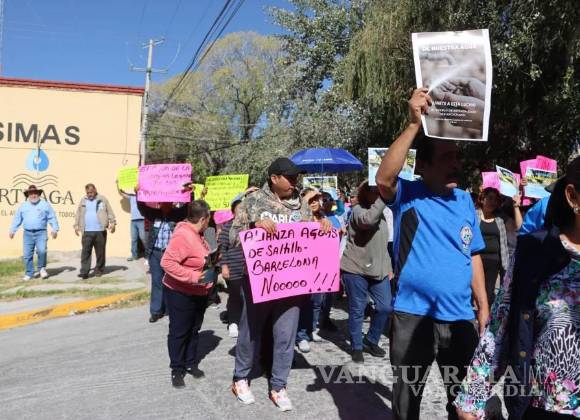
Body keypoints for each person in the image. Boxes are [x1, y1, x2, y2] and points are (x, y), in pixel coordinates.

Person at [375, 88, 488, 420]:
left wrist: (483, 305)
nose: (456, 164)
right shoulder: (409, 195)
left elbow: (473, 254)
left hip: (460, 318)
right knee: (407, 402)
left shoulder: (465, 201)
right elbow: (383, 178)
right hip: (413, 317)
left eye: (457, 157)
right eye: (446, 158)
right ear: (422, 165)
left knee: (465, 405)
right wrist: (413, 124)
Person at [455, 156, 580, 419]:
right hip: (545, 409)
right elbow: (500, 326)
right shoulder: (533, 254)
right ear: (573, 197)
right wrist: (473, 395)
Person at [230, 157, 331, 412]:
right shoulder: (252, 200)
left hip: (292, 284)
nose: (295, 181)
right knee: (250, 331)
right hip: (259, 281)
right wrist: (254, 226)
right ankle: (241, 378)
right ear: (274, 178)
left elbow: (309, 236)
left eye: (297, 176)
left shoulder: (302, 203)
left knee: (286, 336)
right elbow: (233, 237)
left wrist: (321, 226)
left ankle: (279, 385)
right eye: (290, 177)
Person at [160, 200, 214, 389]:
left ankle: (191, 363)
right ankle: (177, 368)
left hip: (198, 291)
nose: (210, 222)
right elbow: (167, 263)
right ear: (202, 219)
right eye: (209, 218)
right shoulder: (183, 235)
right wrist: (194, 277)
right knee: (179, 331)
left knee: (193, 329)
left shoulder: (199, 235)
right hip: (180, 292)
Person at [340, 180, 393, 364]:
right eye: (374, 191)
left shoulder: (382, 213)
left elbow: (383, 244)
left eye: (380, 191)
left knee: (385, 306)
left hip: (379, 270)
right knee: (358, 308)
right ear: (365, 192)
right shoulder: (357, 210)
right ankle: (356, 346)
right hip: (355, 268)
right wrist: (384, 199)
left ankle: (371, 340)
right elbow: (367, 221)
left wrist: (388, 267)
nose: (378, 194)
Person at [137, 199, 188, 323]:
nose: (165, 204)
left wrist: (189, 193)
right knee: (157, 281)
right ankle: (156, 311)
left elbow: (187, 208)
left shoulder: (177, 214)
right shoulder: (153, 214)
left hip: (171, 254)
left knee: (171, 282)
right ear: (159, 203)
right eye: (163, 202)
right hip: (155, 253)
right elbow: (142, 208)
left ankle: (171, 309)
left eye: (168, 202)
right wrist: (138, 194)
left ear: (172, 203)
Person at [295, 188, 331, 351]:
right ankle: (301, 335)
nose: (314, 202)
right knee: (304, 302)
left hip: (319, 266)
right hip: (302, 266)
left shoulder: (323, 216)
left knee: (316, 301)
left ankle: (311, 328)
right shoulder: (297, 216)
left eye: (316, 199)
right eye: (310, 200)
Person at [476, 188, 522, 307]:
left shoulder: (500, 217)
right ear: (482, 199)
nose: (493, 202)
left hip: (493, 261)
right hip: (475, 259)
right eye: (490, 198)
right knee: (472, 290)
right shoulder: (473, 215)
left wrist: (516, 207)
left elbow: (518, 227)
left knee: (488, 292)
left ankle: (485, 315)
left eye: (496, 200)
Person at [9, 185, 59, 281]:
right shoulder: (23, 206)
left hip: (41, 232)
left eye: (35, 193)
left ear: (38, 194)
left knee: (42, 251)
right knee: (27, 254)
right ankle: (29, 273)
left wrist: (55, 229)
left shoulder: (45, 205)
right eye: (31, 193)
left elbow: (52, 217)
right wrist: (12, 230)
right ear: (28, 195)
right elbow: (17, 219)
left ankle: (42, 269)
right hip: (27, 233)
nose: (33, 195)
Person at [217, 196, 246, 338]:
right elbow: (222, 249)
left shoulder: (252, 226)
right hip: (233, 268)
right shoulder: (228, 227)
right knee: (235, 296)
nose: (242, 212)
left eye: (244, 210)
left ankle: (245, 322)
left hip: (249, 270)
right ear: (233, 212)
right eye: (239, 210)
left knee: (247, 297)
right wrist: (224, 266)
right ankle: (233, 323)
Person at [74, 184, 116, 279]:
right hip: (86, 231)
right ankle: (84, 272)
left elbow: (110, 212)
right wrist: (76, 225)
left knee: (100, 252)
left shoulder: (102, 199)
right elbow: (78, 213)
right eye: (88, 193)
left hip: (100, 230)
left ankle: (99, 270)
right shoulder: (83, 200)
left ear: (95, 190)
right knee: (85, 252)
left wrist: (113, 223)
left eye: (91, 192)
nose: (90, 194)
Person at [116, 182, 146, 262]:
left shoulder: (144, 196)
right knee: (134, 239)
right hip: (133, 221)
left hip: (142, 220)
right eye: (135, 188)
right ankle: (134, 256)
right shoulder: (131, 197)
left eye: (137, 188)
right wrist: (118, 184)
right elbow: (121, 193)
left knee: (143, 238)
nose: (136, 189)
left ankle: (148, 255)